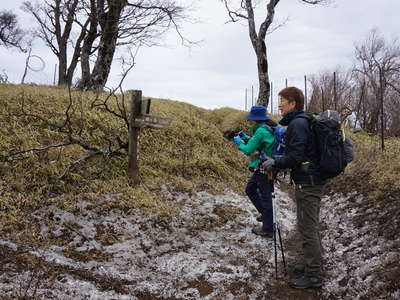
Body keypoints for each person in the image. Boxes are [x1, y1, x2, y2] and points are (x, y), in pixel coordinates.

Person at [261, 87, 326, 289]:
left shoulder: (298, 124)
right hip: (309, 180)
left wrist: (276, 162)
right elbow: (300, 154)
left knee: (308, 227)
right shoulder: (301, 122)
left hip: (309, 182)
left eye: (282, 100)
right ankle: (310, 264)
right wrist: (279, 160)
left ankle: (314, 274)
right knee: (307, 225)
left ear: (293, 103)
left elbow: (296, 157)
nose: (279, 104)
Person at [233, 105, 276, 238]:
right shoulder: (267, 128)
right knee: (250, 189)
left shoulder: (260, 132)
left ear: (255, 119)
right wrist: (246, 138)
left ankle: (268, 228)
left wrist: (238, 142)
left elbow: (248, 150)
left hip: (263, 168)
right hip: (266, 166)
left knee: (265, 197)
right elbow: (259, 145)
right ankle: (266, 215)